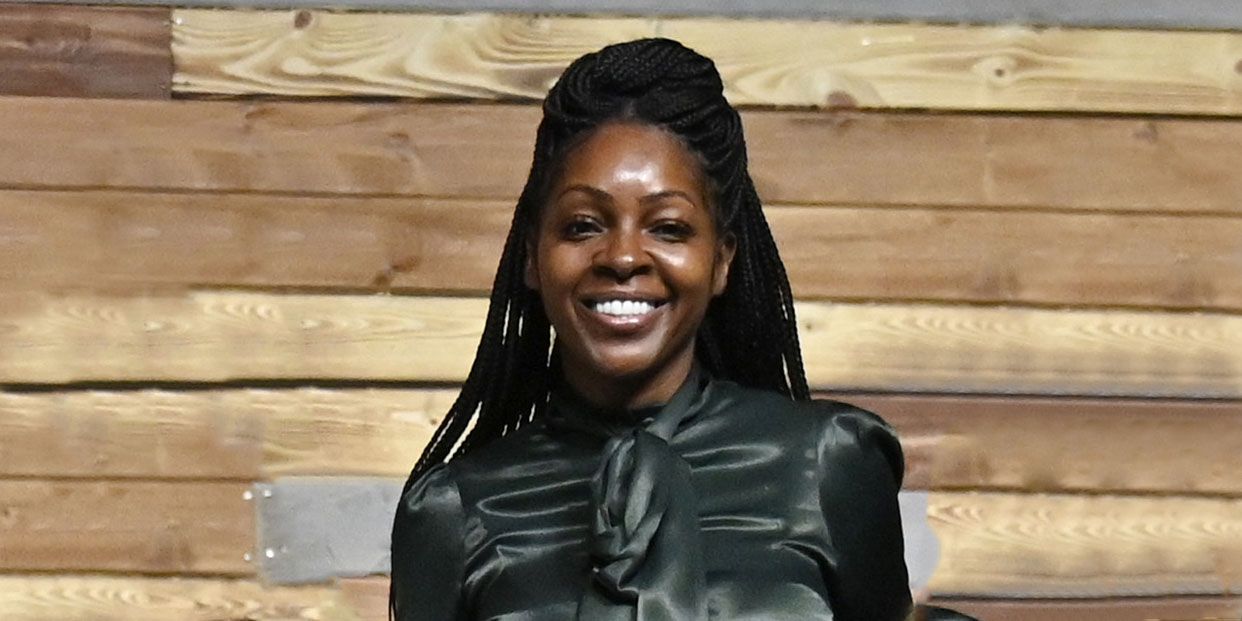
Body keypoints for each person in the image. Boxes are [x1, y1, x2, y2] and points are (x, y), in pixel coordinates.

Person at [390, 38, 913, 620]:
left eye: (668, 228)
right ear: (533, 257)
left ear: (721, 261)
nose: (623, 256)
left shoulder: (830, 464)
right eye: (583, 225)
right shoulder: (454, 512)